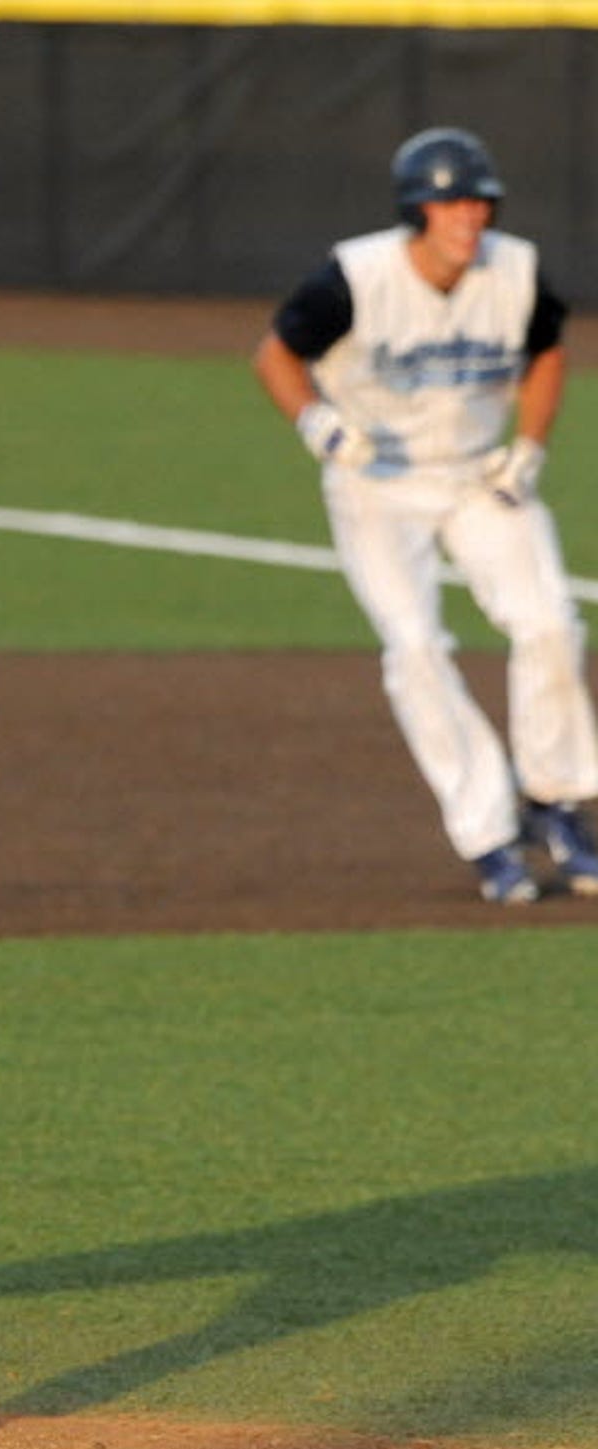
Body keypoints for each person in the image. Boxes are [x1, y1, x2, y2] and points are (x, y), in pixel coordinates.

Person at [252, 125, 598, 905]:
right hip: (377, 481)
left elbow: (546, 351)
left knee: (550, 623)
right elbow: (276, 352)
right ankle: (489, 833)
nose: (468, 217)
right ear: (418, 211)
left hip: (479, 475)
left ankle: (559, 801)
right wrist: (314, 420)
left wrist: (531, 444)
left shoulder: (515, 271)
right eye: (450, 204)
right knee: (415, 650)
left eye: (478, 202)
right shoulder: (355, 276)